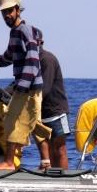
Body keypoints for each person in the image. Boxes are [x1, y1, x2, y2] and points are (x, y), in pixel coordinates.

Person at [0, 0, 43, 170]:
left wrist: (22, 86)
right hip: (26, 86)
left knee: (12, 122)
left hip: (28, 88)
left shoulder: (24, 31)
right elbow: (11, 55)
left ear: (18, 10)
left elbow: (33, 61)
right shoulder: (15, 32)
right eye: (4, 12)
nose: (7, 15)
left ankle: (9, 163)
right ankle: (47, 162)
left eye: (10, 11)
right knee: (33, 123)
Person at [35, 35, 70, 170]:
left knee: (59, 148)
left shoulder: (47, 59)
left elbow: (46, 87)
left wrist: (28, 102)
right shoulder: (29, 62)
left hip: (56, 112)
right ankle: (50, 176)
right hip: (40, 113)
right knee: (47, 151)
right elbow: (20, 82)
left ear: (40, 42)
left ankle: (63, 180)